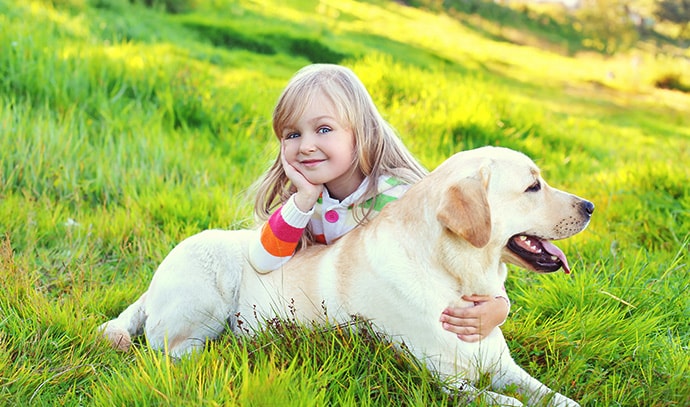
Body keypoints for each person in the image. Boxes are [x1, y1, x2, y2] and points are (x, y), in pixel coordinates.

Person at [248, 63, 509, 342]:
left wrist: (498, 306)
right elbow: (262, 261)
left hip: (408, 320)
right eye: (292, 135)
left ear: (361, 132)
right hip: (343, 319)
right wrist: (303, 201)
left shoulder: (400, 199)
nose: (306, 146)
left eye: (323, 129)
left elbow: (467, 258)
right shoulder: (304, 203)